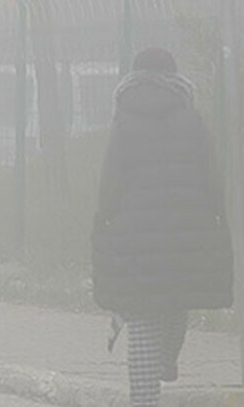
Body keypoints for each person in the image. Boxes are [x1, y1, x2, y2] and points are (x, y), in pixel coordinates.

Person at [92, 48, 232, 407]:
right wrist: (217, 218)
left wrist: (104, 222)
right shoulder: (192, 120)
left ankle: (143, 399)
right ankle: (166, 359)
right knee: (174, 300)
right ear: (176, 82)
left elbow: (110, 184)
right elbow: (212, 177)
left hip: (134, 235)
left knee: (140, 312)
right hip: (187, 231)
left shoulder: (123, 123)